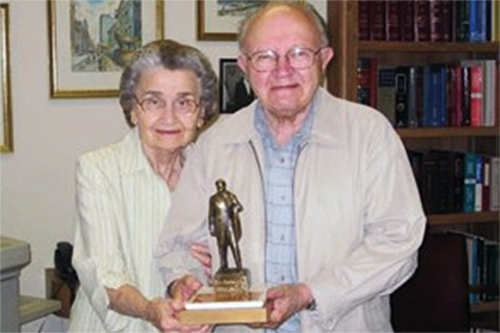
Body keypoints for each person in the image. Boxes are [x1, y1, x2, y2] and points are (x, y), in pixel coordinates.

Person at [155, 2, 426, 332]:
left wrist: (311, 293)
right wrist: (186, 284)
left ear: (324, 59)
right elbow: (177, 246)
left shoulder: (369, 134)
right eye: (265, 56)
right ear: (244, 66)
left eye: (298, 53)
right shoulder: (214, 144)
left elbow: (398, 244)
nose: (283, 69)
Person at [68, 39, 218, 333]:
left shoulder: (212, 177)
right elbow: (104, 274)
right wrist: (151, 310)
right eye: (153, 101)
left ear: (201, 114)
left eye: (185, 102)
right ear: (132, 109)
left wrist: (217, 268)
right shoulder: (98, 169)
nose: (169, 117)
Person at [208, 179, 244, 271]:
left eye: (221, 185)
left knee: (234, 244)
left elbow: (239, 206)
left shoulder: (230, 196)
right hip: (219, 224)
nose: (220, 187)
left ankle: (239, 265)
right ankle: (223, 265)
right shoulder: (213, 199)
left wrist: (235, 209)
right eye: (218, 185)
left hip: (230, 223)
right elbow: (211, 214)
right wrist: (211, 226)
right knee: (221, 246)